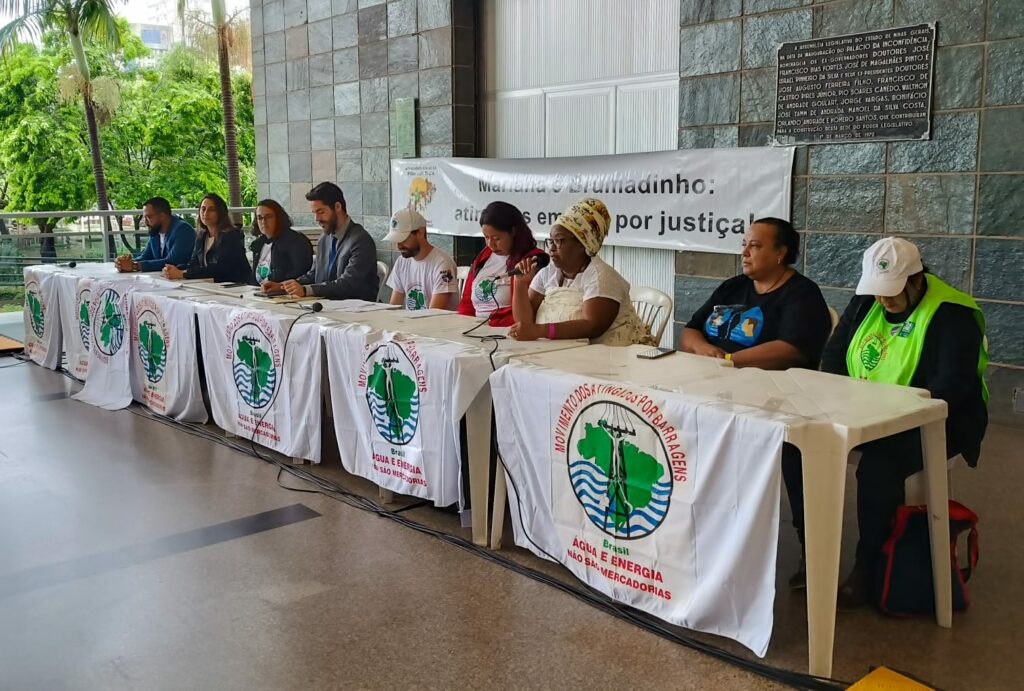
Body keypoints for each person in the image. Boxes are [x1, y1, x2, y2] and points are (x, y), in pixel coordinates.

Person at [783, 237, 989, 608]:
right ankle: (809, 548)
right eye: (877, 292)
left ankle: (869, 564)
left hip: (938, 419)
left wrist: (886, 414)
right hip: (862, 412)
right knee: (796, 443)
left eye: (892, 292)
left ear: (917, 280)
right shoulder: (867, 300)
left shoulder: (952, 313)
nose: (884, 300)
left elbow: (951, 386)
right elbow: (834, 357)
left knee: (880, 464)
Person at [680, 217, 831, 369]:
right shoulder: (733, 285)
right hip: (710, 371)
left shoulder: (802, 293)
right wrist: (703, 350)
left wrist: (727, 360)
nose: (744, 252)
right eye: (744, 244)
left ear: (780, 252)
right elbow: (691, 329)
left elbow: (790, 351)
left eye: (755, 246)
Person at [508, 197, 653, 345]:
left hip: (610, 358)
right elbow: (524, 324)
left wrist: (539, 331)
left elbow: (592, 326)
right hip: (559, 352)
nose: (551, 247)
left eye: (559, 240)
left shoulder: (602, 277)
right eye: (550, 240)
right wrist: (520, 283)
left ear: (583, 244)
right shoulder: (547, 273)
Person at [281, 182, 378, 300]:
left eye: (321, 212)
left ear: (338, 207)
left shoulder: (361, 240)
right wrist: (285, 286)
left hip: (354, 311)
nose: (317, 219)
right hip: (325, 306)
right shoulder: (324, 238)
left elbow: (347, 284)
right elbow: (314, 275)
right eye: (314, 213)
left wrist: (306, 290)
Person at [457, 201, 545, 326]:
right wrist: (463, 325)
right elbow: (466, 303)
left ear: (513, 232)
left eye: (497, 238)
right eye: (486, 238)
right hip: (474, 327)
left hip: (506, 330)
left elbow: (531, 310)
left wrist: (492, 323)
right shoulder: (483, 258)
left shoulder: (532, 261)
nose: (490, 245)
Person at [161, 193, 251, 284]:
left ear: (221, 213)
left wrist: (182, 274)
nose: (205, 213)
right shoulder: (202, 236)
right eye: (203, 209)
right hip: (211, 285)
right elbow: (194, 264)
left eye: (211, 210)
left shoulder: (231, 235)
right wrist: (175, 269)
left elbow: (219, 269)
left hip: (235, 286)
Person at [384, 208, 459, 310]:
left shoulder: (443, 264)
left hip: (438, 325)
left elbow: (434, 314)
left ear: (420, 232)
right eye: (396, 240)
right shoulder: (401, 262)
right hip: (411, 324)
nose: (399, 246)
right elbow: (393, 307)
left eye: (403, 239)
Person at [114, 197, 194, 273]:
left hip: (184, 281)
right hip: (163, 279)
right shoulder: (156, 230)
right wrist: (124, 263)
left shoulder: (183, 230)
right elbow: (145, 256)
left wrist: (135, 266)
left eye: (149, 217)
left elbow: (172, 262)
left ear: (162, 216)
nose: (146, 222)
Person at [250, 199, 315, 291]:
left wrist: (280, 285)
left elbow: (301, 272)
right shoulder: (259, 243)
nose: (263, 221)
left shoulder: (296, 240)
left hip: (286, 292)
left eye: (268, 217)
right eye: (259, 218)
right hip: (259, 292)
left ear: (278, 218)